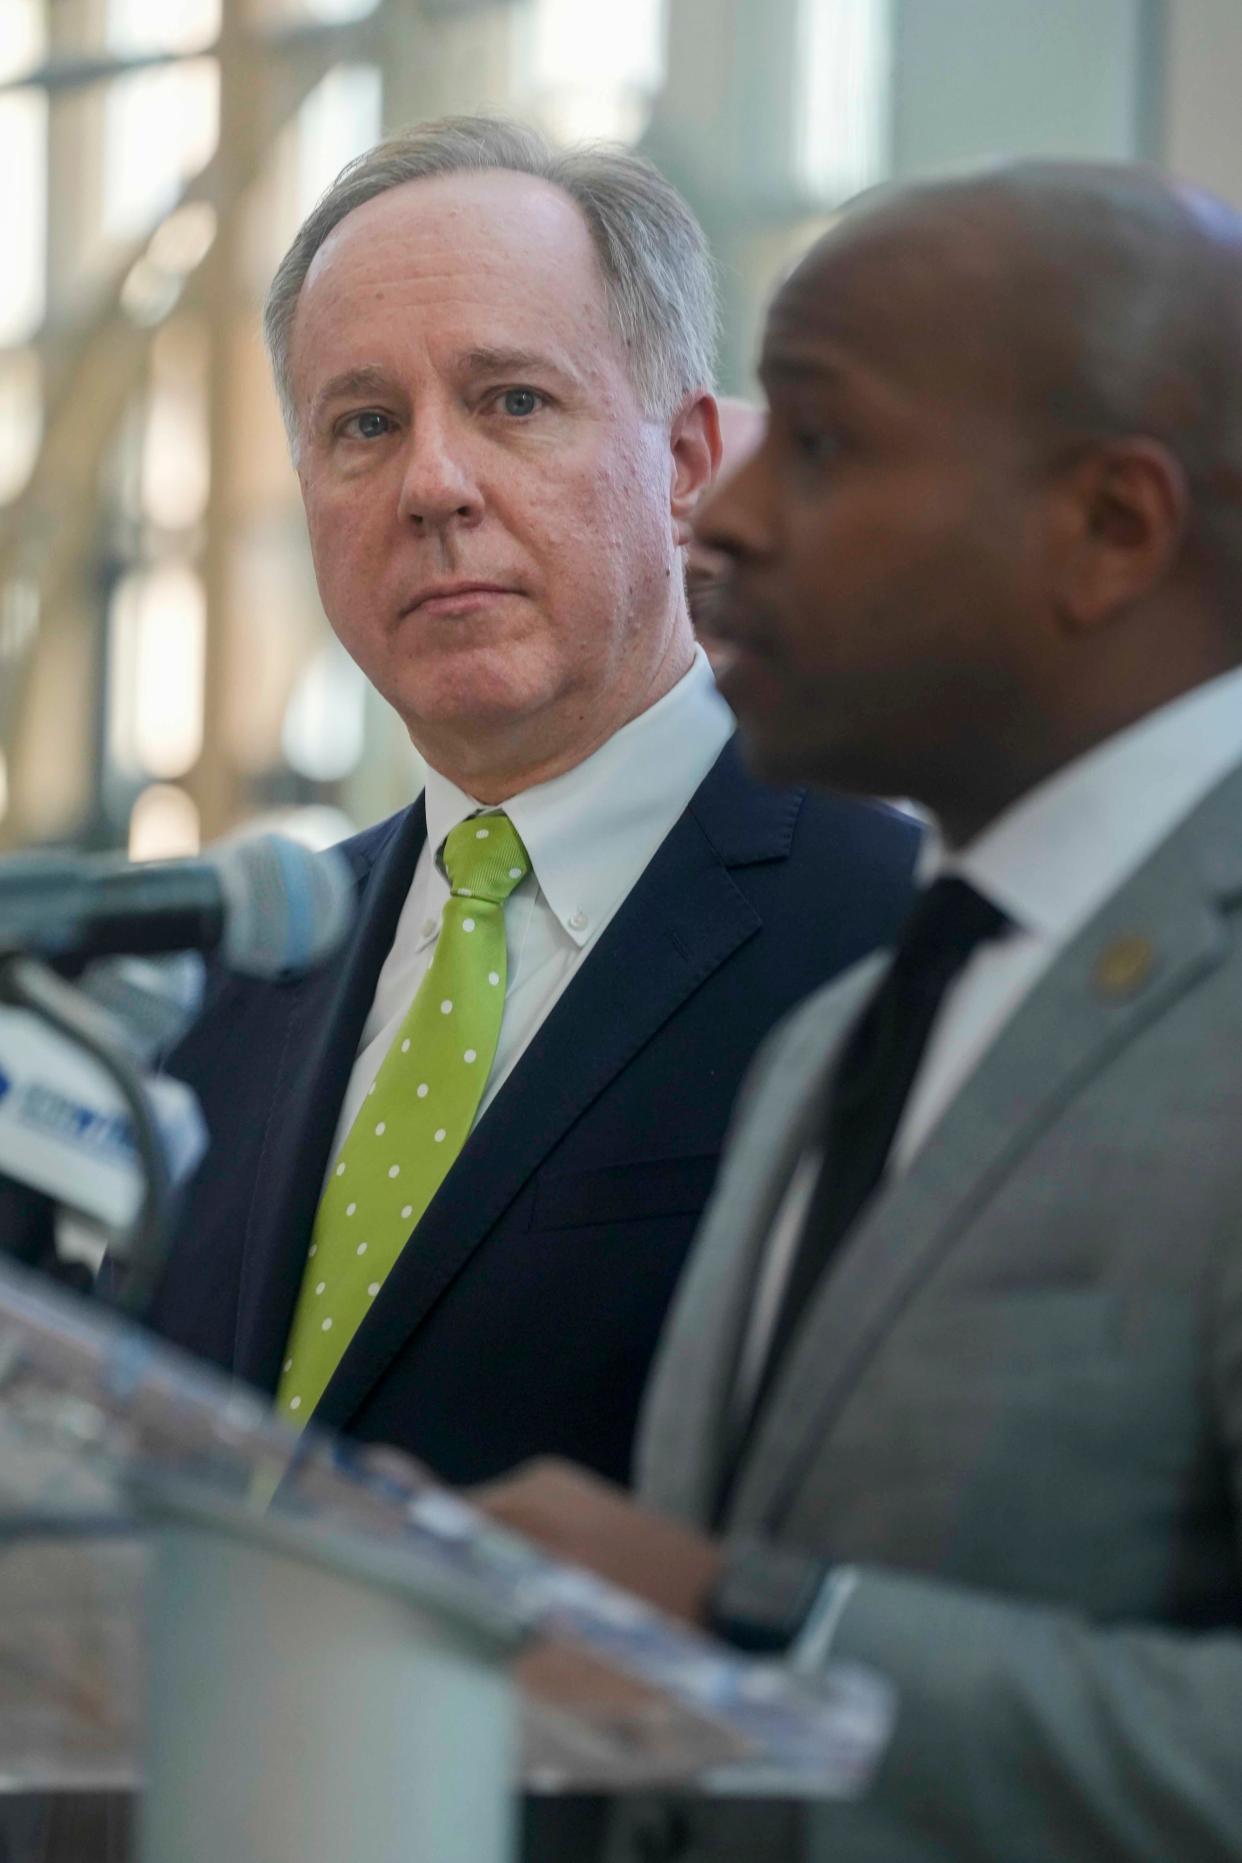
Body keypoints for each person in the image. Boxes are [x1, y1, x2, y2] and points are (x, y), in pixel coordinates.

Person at [483, 161, 1242, 1860]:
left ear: (1110, 528)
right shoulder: (841, 1032)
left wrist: (754, 1628)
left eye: (819, 445)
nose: (724, 518)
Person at [147, 117, 919, 1487]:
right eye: (364, 425)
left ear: (684, 467)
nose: (433, 487)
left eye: (512, 401)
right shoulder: (235, 979)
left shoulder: (891, 940)